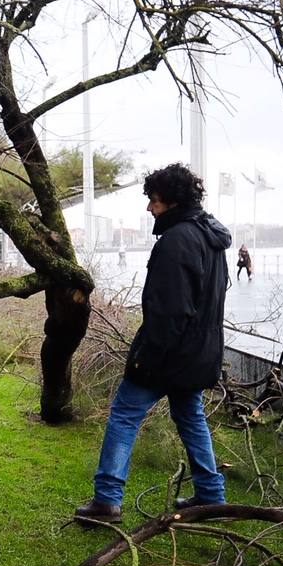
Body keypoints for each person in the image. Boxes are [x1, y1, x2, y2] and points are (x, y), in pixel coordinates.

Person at [75, 163, 229, 523]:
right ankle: (211, 495)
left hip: (170, 354)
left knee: (124, 415)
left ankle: (107, 499)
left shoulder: (176, 242)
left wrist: (147, 359)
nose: (149, 208)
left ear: (171, 202)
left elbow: (169, 312)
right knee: (191, 416)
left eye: (153, 202)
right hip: (200, 352)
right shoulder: (211, 238)